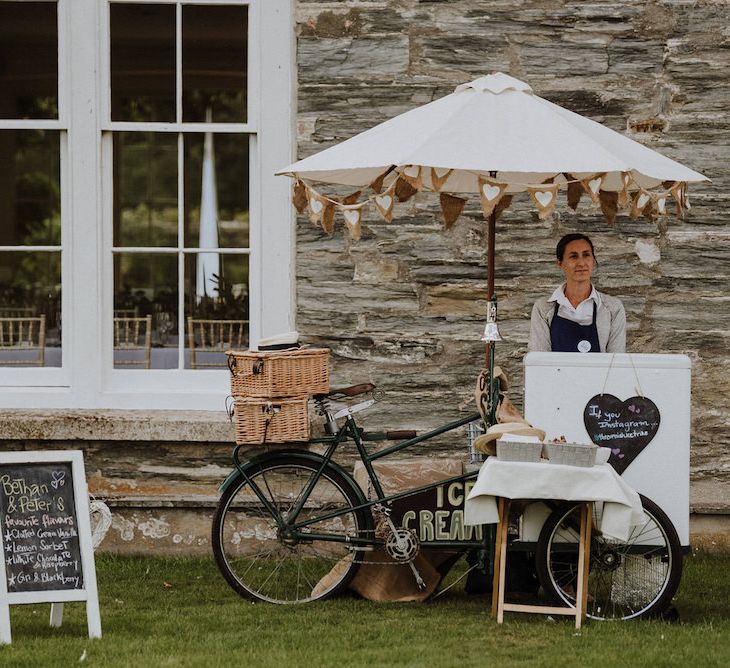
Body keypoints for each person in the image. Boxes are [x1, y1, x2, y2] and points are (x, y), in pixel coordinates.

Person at [529, 233, 626, 353]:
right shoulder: (543, 308)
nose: (581, 263)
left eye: (586, 255)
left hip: (600, 373)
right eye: (573, 257)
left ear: (593, 261)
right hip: (555, 372)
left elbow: (616, 362)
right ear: (560, 264)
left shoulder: (613, 308)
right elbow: (539, 361)